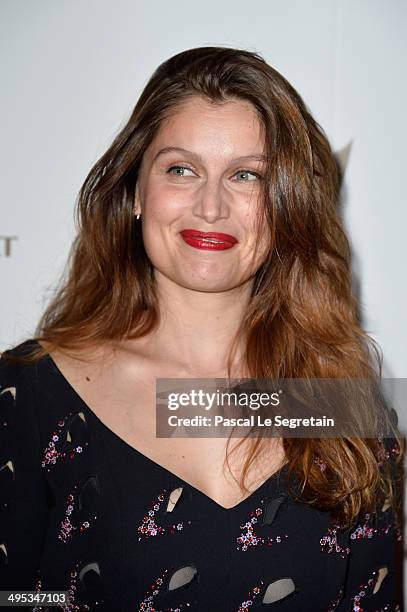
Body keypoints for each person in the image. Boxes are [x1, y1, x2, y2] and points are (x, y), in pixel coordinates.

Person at [0, 46, 404, 611]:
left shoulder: (336, 404)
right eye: (181, 169)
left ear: (286, 205)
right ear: (137, 192)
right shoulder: (32, 394)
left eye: (246, 176)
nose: (211, 206)